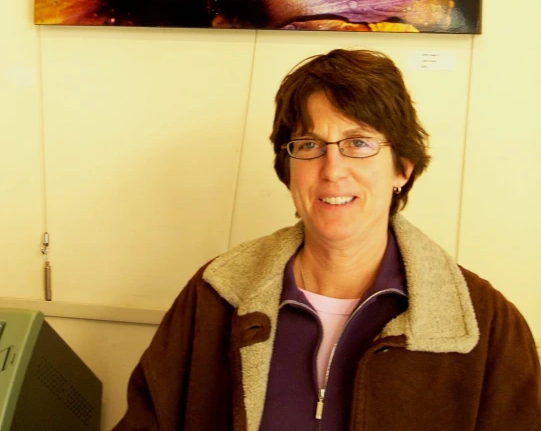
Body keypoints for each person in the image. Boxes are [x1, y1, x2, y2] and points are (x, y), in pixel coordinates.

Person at [113, 48, 541, 431]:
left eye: (358, 142)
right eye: (309, 144)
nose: (332, 169)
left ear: (402, 168)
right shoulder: (215, 295)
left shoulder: (488, 326)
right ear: (288, 167)